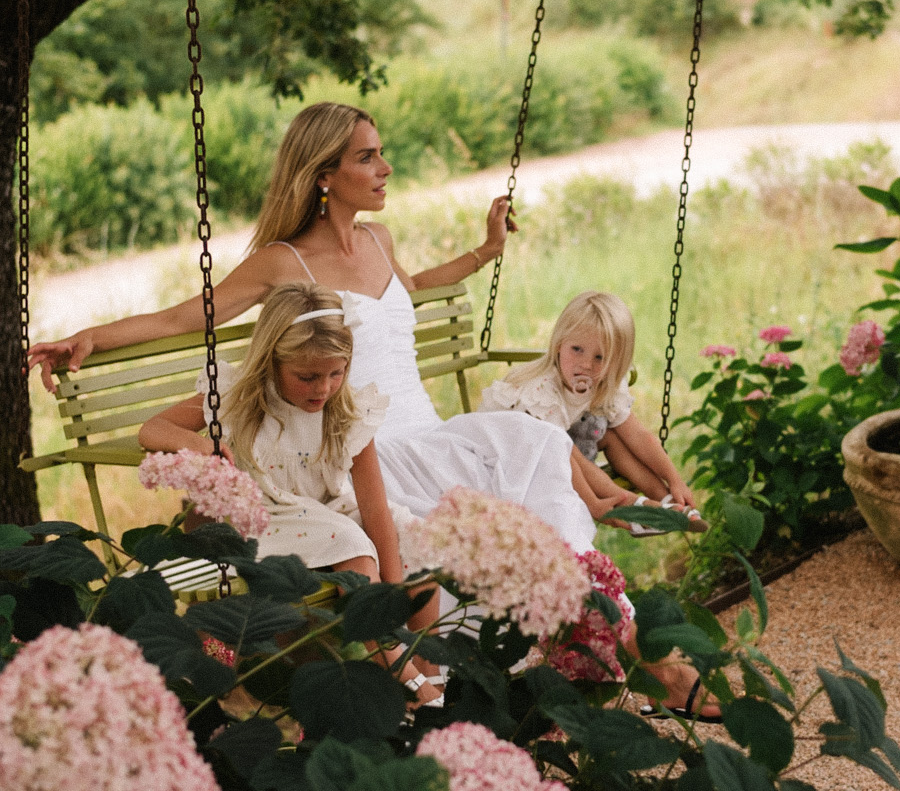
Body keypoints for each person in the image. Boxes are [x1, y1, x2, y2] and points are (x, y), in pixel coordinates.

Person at [30, 100, 714, 714]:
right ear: (324, 173)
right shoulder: (283, 261)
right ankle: (630, 658)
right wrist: (92, 335)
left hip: (433, 435)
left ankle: (600, 633)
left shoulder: (382, 242)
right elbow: (186, 317)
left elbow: (410, 290)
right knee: (487, 527)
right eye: (367, 156)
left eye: (381, 152)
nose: (385, 167)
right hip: (367, 450)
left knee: (529, 446)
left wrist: (486, 251)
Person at [137, 280, 441, 704]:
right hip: (264, 517)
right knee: (354, 550)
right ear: (272, 362)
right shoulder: (235, 399)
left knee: (416, 540)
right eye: (308, 376)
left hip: (327, 511)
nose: (323, 388)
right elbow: (151, 429)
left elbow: (374, 508)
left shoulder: (349, 411)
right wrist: (200, 445)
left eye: (336, 373)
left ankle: (431, 671)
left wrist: (393, 589)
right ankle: (410, 684)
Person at [480, 290, 705, 529]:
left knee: (612, 435)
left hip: (556, 446)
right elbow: (567, 457)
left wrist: (675, 480)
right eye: (577, 349)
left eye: (600, 357)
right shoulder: (541, 392)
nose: (586, 364)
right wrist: (594, 504)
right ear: (558, 345)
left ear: (616, 361)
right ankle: (634, 505)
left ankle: (667, 501)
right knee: (578, 447)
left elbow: (639, 435)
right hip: (507, 456)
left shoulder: (604, 381)